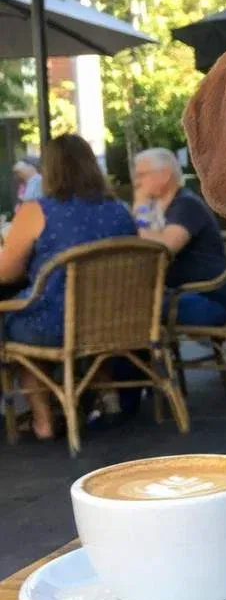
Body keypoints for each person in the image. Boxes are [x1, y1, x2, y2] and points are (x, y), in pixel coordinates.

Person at [0, 135, 136, 440]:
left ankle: (43, 421)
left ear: (50, 169)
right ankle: (108, 398)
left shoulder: (37, 211)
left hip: (57, 325)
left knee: (15, 323)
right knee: (76, 315)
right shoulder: (119, 209)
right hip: (119, 320)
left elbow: (6, 273)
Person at [132, 148, 226, 326]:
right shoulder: (161, 209)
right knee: (131, 301)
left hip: (208, 300)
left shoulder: (186, 205)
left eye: (142, 175)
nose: (137, 182)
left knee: (134, 306)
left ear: (165, 175)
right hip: (184, 295)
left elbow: (165, 247)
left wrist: (140, 209)